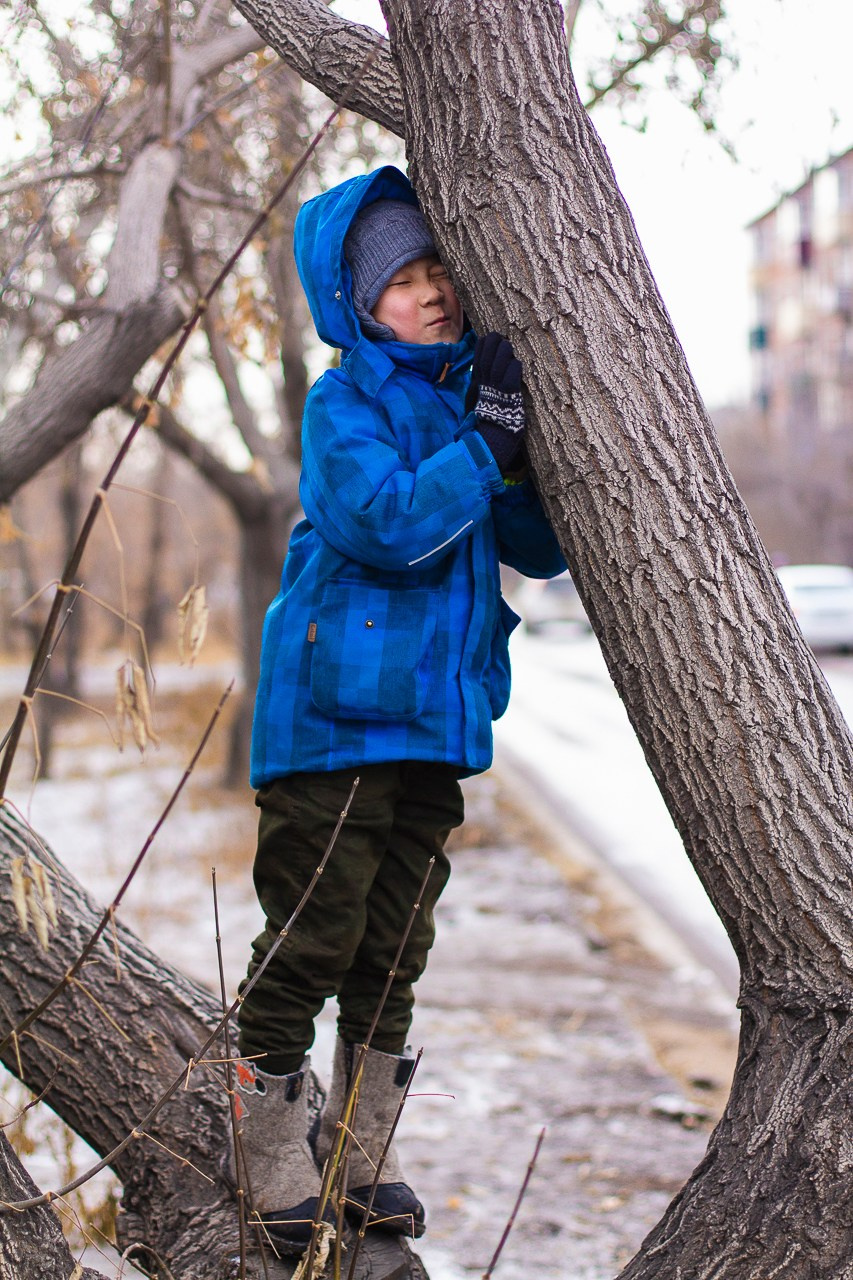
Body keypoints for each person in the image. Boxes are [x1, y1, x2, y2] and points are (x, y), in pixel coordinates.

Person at [231, 164, 565, 1252]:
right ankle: (270, 1148)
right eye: (404, 277)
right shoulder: (343, 406)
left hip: (431, 726)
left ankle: (359, 1150)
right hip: (332, 727)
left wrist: (514, 451)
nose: (431, 291)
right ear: (357, 302)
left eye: (438, 272)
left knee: (393, 946)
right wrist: (485, 447)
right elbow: (384, 522)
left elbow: (538, 551)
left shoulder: (470, 403)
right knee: (314, 934)